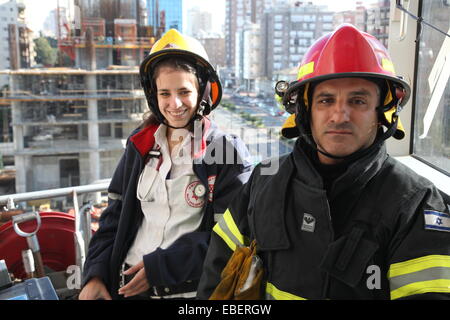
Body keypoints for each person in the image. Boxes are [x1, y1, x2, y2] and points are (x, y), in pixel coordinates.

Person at [197, 24, 450, 300]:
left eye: (358, 101)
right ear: (305, 111)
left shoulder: (415, 204)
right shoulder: (264, 180)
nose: (340, 115)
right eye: (326, 100)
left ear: (382, 113)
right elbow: (217, 271)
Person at [79, 29, 252, 300]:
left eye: (184, 91)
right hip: (129, 291)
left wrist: (160, 268)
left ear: (203, 91)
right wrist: (96, 275)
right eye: (165, 93)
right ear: (154, 96)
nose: (175, 104)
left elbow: (231, 239)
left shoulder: (226, 152)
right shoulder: (140, 146)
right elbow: (114, 219)